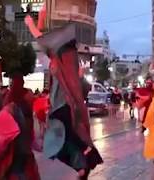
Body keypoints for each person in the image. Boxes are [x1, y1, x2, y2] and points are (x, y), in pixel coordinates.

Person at [25, 3, 103, 179]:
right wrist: (42, 17)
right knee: (58, 143)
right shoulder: (61, 54)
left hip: (64, 104)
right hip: (59, 106)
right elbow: (44, 38)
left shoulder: (65, 53)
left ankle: (86, 155)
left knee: (58, 141)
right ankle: (83, 166)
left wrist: (31, 23)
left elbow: (42, 39)